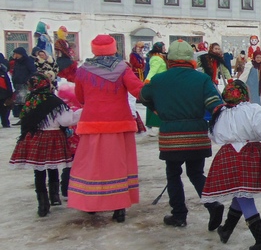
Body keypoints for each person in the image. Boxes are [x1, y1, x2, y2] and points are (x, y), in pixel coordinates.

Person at [202, 80, 261, 250]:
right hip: (250, 154)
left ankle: (227, 230)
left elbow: (214, 135)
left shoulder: (221, 113)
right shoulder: (252, 110)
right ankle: (260, 240)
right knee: (243, 194)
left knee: (241, 193)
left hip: (229, 155)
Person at [139, 40, 225, 228]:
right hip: (197, 135)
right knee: (196, 173)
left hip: (171, 136)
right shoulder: (201, 79)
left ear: (169, 59)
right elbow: (215, 104)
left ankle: (179, 214)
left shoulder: (159, 80)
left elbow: (143, 96)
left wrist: (157, 109)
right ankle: (212, 205)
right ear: (190, 59)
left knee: (173, 174)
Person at [68, 35, 143, 222]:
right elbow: (138, 90)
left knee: (92, 165)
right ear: (113, 48)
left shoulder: (84, 70)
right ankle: (119, 207)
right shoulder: (122, 68)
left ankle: (91, 202)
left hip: (92, 123)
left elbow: (80, 97)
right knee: (118, 165)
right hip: (119, 124)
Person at [9, 73, 81, 217]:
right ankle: (54, 197)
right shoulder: (53, 101)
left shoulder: (30, 102)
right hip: (52, 137)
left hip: (34, 138)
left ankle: (42, 204)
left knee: (39, 170)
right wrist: (81, 112)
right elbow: (66, 121)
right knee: (52, 166)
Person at [143, 42, 167, 136]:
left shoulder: (160, 57)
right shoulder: (156, 58)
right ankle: (154, 127)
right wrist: (148, 80)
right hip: (158, 84)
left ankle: (159, 126)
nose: (165, 49)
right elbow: (153, 70)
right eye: (163, 47)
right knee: (157, 104)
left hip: (163, 83)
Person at [10, 47, 37, 122]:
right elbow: (15, 71)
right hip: (18, 84)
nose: (15, 55)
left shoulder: (28, 61)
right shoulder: (17, 62)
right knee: (19, 102)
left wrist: (27, 80)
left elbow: (33, 71)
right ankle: (22, 118)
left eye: (16, 54)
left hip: (26, 84)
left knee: (25, 101)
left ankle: (27, 118)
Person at [0, 53, 13, 128]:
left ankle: (5, 122)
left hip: (4, 94)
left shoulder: (4, 73)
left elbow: (8, 84)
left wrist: (10, 93)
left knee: (5, 109)